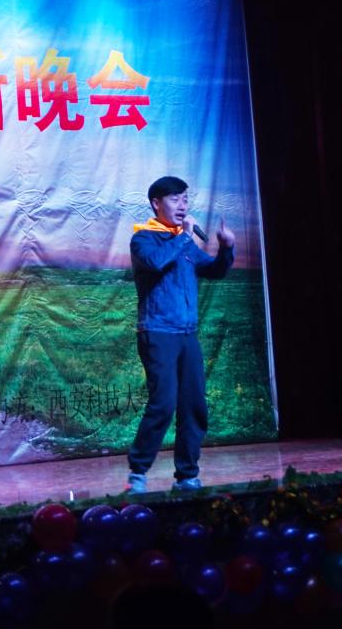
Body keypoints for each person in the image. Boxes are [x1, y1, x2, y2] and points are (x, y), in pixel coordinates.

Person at [126, 176, 235, 493]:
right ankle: (138, 472)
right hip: (157, 331)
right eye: (175, 199)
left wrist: (226, 247)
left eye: (185, 199)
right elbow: (156, 262)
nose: (183, 205)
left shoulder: (184, 243)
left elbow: (214, 270)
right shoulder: (144, 239)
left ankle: (187, 475)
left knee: (193, 405)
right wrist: (185, 236)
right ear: (156, 203)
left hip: (187, 335)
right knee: (163, 403)